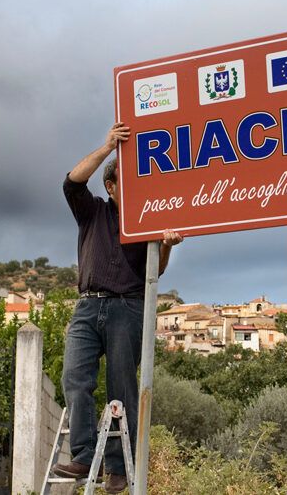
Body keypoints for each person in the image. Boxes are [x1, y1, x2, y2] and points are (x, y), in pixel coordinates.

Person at [52, 122, 183, 493]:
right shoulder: (92, 211)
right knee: (74, 378)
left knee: (121, 388)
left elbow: (156, 270)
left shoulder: (149, 219)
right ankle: (82, 456)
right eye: (128, 181)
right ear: (110, 187)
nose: (136, 187)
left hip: (128, 308)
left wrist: (167, 244)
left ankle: (118, 468)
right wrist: (108, 147)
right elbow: (72, 182)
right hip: (87, 307)